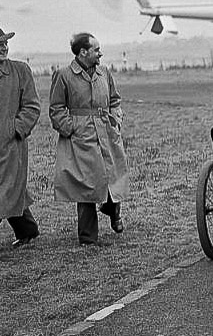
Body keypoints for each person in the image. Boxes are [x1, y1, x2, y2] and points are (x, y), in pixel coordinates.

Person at [50, 33, 130, 246]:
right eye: (96, 49)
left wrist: (116, 120)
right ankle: (88, 237)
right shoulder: (64, 75)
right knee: (85, 185)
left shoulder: (104, 72)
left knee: (112, 176)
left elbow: (115, 100)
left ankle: (113, 211)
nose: (100, 53)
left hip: (106, 131)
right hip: (81, 137)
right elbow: (56, 109)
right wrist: (71, 128)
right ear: (83, 52)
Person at [0, 27, 41, 248]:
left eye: (5, 43)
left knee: (7, 188)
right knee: (11, 189)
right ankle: (28, 230)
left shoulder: (20, 70)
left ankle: (27, 231)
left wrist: (15, 129)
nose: (4, 47)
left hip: (10, 143)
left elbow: (32, 106)